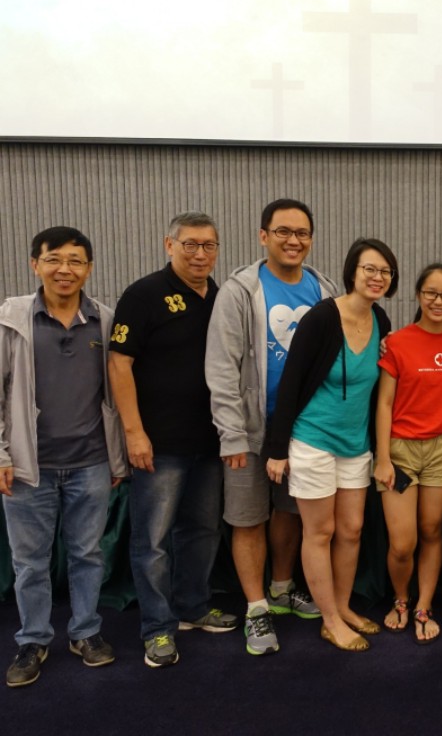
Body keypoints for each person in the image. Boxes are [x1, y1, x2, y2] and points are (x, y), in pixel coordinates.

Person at [206, 199, 337, 656]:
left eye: (302, 233)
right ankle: (257, 608)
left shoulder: (324, 289)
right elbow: (221, 367)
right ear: (264, 236)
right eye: (283, 231)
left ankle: (282, 588)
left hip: (303, 431)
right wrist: (231, 433)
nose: (293, 240)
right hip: (248, 430)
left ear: (311, 239)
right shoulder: (239, 290)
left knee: (290, 512)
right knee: (248, 518)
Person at [109, 211, 239, 669]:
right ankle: (157, 628)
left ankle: (192, 606)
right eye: (190, 245)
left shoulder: (222, 298)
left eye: (209, 245)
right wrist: (134, 432)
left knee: (202, 532)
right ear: (169, 245)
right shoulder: (143, 294)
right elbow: (119, 363)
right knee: (153, 541)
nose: (200, 254)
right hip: (158, 445)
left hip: (210, 442)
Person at [1, 227, 129, 688]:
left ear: (89, 269)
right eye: (54, 259)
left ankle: (85, 632)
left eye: (76, 261)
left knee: (87, 554)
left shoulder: (105, 320)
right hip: (28, 466)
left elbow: (116, 394)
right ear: (35, 264)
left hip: (91, 462)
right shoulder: (11, 319)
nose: (65, 269)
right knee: (30, 562)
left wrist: (117, 459)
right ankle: (33, 640)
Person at [265, 238, 396, 653]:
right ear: (352, 272)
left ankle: (343, 606)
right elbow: (290, 382)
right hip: (313, 439)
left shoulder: (381, 320)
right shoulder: (322, 318)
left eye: (385, 271)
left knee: (352, 530)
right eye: (369, 269)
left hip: (355, 443)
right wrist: (277, 448)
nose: (377, 277)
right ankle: (330, 620)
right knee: (320, 531)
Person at [373, 264, 442, 644]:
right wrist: (382, 458)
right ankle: (401, 598)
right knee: (402, 542)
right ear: (418, 295)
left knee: (432, 530)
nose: (438, 301)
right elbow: (384, 403)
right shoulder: (397, 342)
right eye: (431, 292)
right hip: (400, 450)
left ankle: (423, 605)